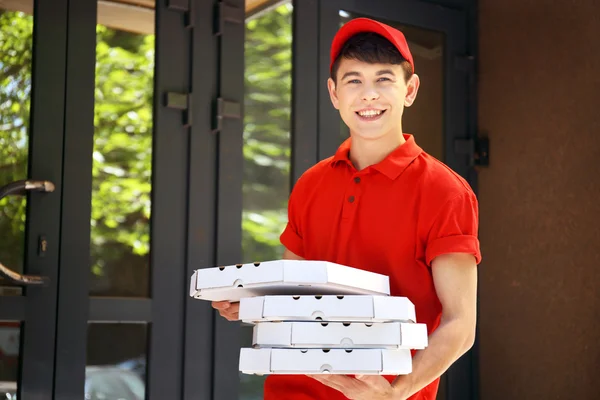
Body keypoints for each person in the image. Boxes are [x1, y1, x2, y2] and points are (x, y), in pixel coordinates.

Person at [213, 17, 481, 400]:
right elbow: (297, 293)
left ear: (410, 89)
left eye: (384, 79)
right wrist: (255, 302)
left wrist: (395, 392)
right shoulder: (310, 184)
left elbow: (460, 325)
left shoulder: (446, 192)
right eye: (354, 80)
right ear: (334, 93)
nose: (368, 95)